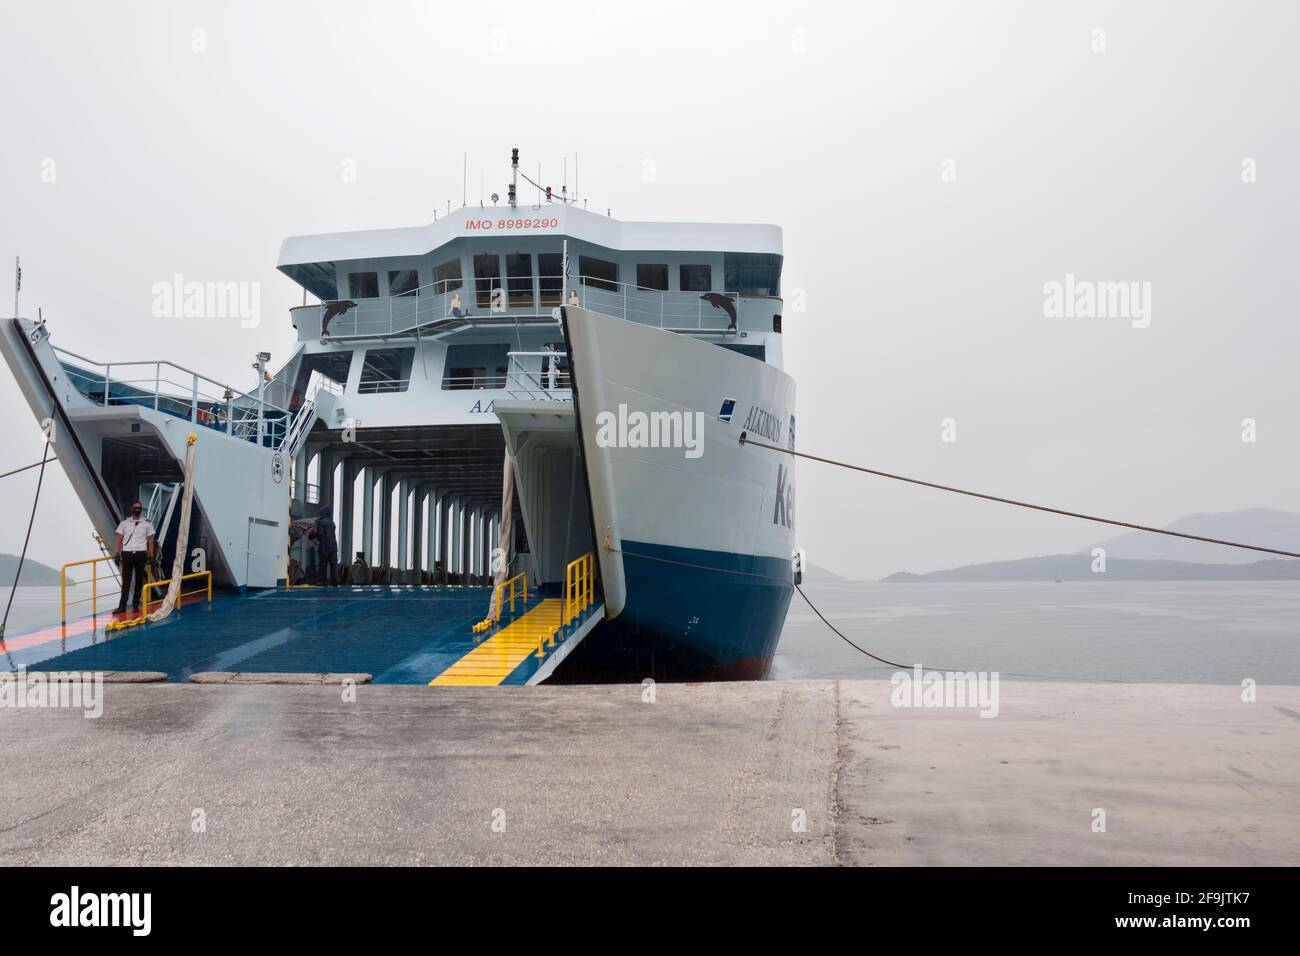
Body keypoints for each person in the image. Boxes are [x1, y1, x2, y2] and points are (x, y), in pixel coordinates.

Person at [113, 500, 156, 614]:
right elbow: (119, 539)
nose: (137, 509)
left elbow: (151, 540)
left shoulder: (147, 523)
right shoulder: (124, 523)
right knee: (126, 580)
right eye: (135, 507)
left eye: (139, 508)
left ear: (141, 510)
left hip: (141, 553)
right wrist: (117, 554)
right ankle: (122, 606)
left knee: (138, 580)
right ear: (131, 509)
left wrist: (151, 555)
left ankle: (136, 604)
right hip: (127, 553)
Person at [317, 510, 339, 586]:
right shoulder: (332, 523)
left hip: (325, 547)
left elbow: (320, 534)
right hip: (333, 547)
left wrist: (313, 534)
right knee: (334, 564)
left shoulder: (321, 522)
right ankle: (335, 581)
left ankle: (322, 581)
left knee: (323, 565)